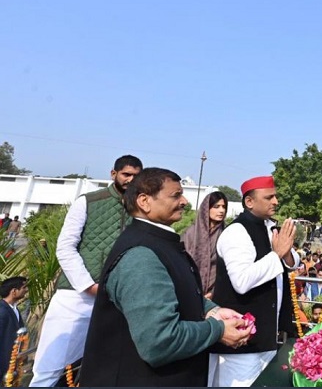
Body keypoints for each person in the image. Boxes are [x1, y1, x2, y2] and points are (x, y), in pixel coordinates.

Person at [80, 167, 252, 386]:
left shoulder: (160, 243)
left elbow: (174, 292)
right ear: (144, 201)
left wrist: (211, 310)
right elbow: (160, 341)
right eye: (175, 195)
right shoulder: (141, 255)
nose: (185, 201)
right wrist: (217, 330)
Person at [29, 155, 143, 387]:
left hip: (116, 300)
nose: (131, 180)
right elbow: (65, 247)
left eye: (136, 176)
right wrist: (88, 285)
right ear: (114, 174)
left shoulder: (141, 209)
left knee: (103, 368)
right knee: (49, 369)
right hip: (76, 295)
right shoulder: (89, 201)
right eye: (126, 174)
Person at [210, 175, 301, 387]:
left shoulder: (269, 227)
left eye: (275, 196)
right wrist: (277, 255)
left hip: (268, 340)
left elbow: (293, 260)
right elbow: (241, 281)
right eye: (269, 197)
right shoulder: (236, 232)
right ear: (249, 202)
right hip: (241, 345)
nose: (276, 201)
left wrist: (285, 253)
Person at [182, 191, 228, 298]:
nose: (221, 210)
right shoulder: (191, 233)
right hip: (188, 291)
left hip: (215, 294)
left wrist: (213, 293)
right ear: (206, 209)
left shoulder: (226, 235)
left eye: (223, 207)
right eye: (216, 207)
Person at [0, 277, 28, 380]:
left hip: (12, 366)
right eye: (24, 287)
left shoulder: (14, 309)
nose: (26, 290)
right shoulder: (2, 311)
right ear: (14, 291)